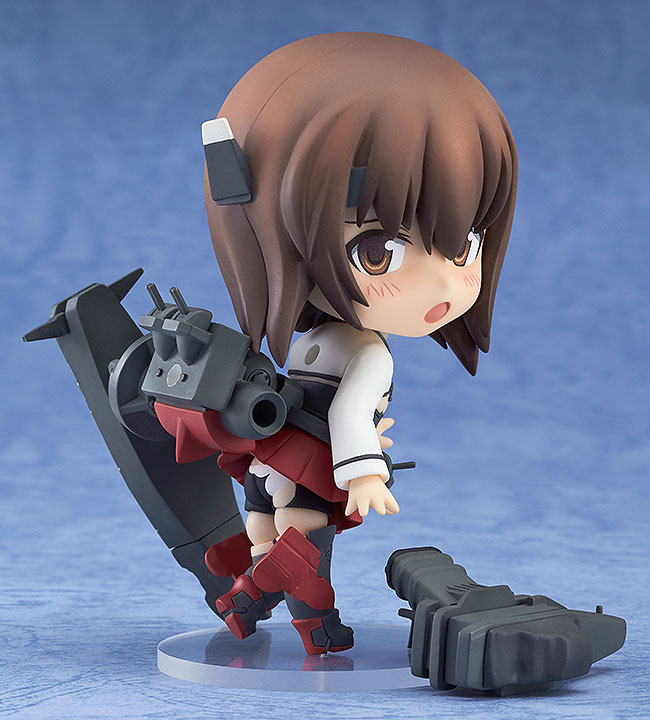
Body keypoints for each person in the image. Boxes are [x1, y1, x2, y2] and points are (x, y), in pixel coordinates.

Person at [202, 32, 517, 655]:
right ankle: (313, 631)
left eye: (463, 244)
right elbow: (346, 409)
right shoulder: (368, 352)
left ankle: (245, 599)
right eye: (379, 252)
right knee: (303, 554)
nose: (444, 284)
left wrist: (362, 438)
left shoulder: (311, 340)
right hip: (311, 469)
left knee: (269, 539)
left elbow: (314, 398)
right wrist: (365, 470)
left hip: (268, 463)